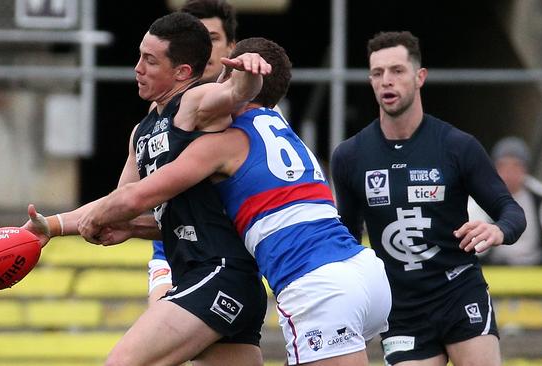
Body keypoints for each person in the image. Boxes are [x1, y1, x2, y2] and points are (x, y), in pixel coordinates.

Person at [78, 37, 392, 366]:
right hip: (363, 272)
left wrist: (74, 222)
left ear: (233, 79)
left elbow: (139, 194)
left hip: (315, 283)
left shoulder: (226, 142)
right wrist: (134, 228)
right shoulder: (284, 130)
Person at [23, 12, 272, 366]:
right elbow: (119, 202)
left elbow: (235, 92)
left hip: (218, 272)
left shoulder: (193, 103)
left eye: (150, 60)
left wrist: (249, 72)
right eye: (140, 55)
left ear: (182, 73)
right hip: (206, 275)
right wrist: (52, 226)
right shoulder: (141, 132)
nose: (137, 67)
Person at [330, 31, 526, 366]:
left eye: (397, 71)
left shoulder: (457, 146)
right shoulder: (350, 156)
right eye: (378, 73)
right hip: (401, 308)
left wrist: (498, 231)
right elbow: (345, 237)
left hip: (459, 292)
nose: (386, 81)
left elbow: (511, 211)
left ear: (420, 77)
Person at [148, 0, 239, 306]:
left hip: (227, 254)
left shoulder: (251, 110)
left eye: (212, 39)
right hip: (170, 250)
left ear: (231, 48)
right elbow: (131, 197)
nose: (204, 48)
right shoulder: (157, 112)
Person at [468, 136, 542, 265]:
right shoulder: (478, 200)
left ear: (526, 169)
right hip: (496, 266)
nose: (509, 173)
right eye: (503, 166)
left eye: (516, 166)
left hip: (538, 266)